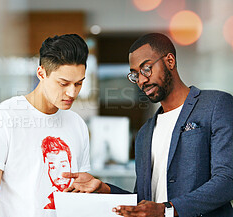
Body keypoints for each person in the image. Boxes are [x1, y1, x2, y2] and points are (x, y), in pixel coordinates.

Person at [63, 33, 233, 217]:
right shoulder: (145, 133)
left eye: (146, 69)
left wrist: (167, 210)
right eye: (135, 75)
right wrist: (104, 188)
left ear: (169, 61)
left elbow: (227, 179)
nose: (142, 81)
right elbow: (145, 201)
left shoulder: (215, 105)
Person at [0, 34, 91, 217]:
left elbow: (79, 193)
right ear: (41, 73)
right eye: (63, 83)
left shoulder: (77, 125)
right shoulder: (2, 117)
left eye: (78, 83)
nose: (72, 92)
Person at [41, 136, 73, 209]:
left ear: (70, 164)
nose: (59, 175)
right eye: (52, 168)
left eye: (63, 165)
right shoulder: (45, 202)